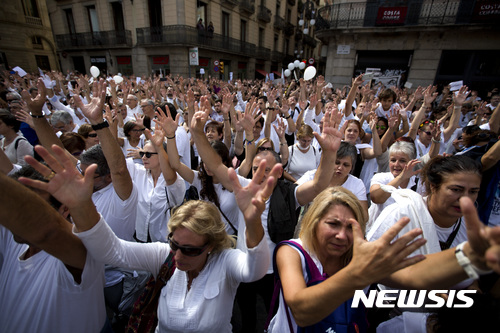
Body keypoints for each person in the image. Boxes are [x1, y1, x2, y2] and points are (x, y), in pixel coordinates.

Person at [19, 140, 280, 333]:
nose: (177, 255)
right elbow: (112, 251)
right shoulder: (164, 257)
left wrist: (251, 220)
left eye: (190, 250)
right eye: (174, 244)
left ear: (210, 246)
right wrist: (80, 207)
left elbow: (253, 270)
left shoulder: (225, 261)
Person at [267, 186, 498, 333]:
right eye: (333, 224)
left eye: (351, 227)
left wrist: (469, 256)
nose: (342, 235)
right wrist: (357, 275)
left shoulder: (360, 254)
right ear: (314, 222)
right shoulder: (292, 252)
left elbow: (418, 274)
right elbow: (302, 311)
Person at [0, 166, 107, 333]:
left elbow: (49, 232)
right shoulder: (15, 238)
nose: (19, 219)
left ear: (64, 209)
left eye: (31, 210)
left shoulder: (83, 251)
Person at [368, 140, 420, 226]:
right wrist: (401, 178)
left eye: (402, 161)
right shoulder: (380, 178)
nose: (396, 164)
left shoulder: (418, 183)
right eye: (393, 160)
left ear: (411, 162)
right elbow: (376, 198)